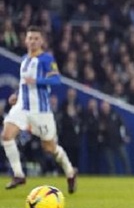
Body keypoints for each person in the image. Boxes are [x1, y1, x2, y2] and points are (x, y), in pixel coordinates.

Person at [2, 26, 77, 192]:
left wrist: (37, 81)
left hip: (40, 110)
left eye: (36, 38)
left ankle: (70, 172)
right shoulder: (24, 59)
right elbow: (24, 82)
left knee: (50, 148)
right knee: (6, 136)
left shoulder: (46, 59)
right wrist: (16, 94)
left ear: (41, 41)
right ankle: (19, 174)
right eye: (30, 38)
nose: (33, 41)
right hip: (22, 107)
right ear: (25, 40)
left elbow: (57, 80)